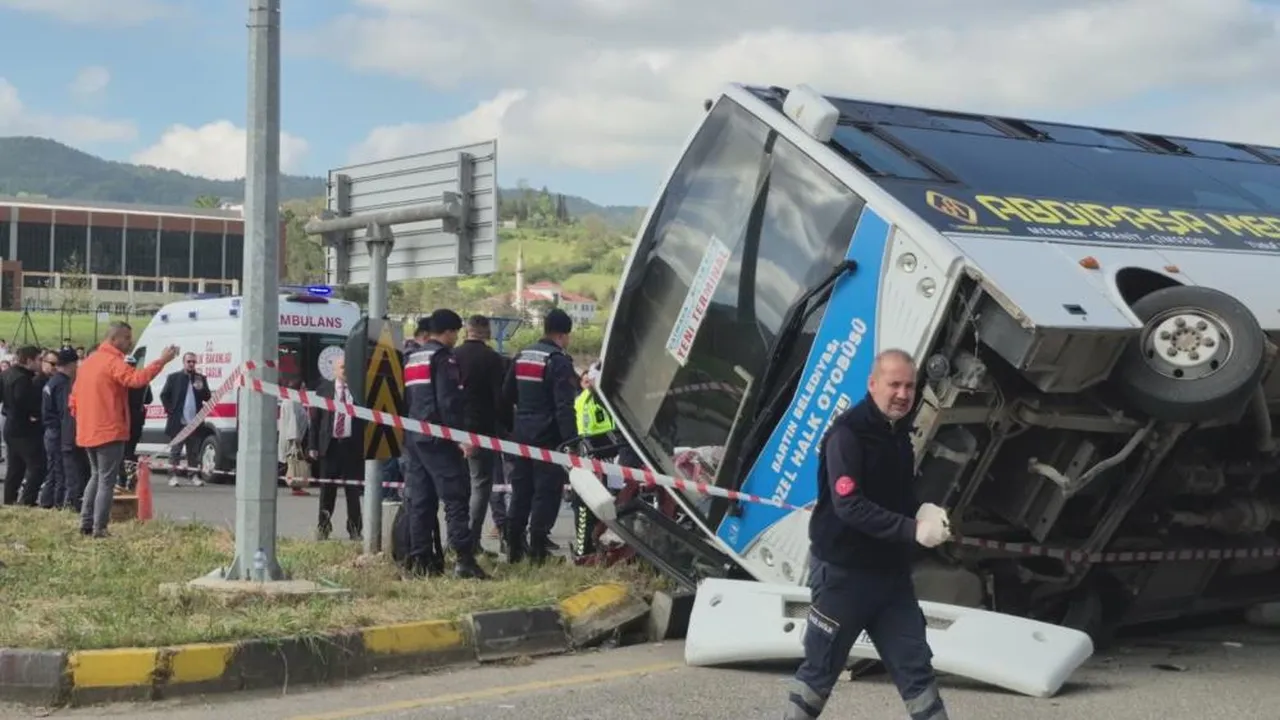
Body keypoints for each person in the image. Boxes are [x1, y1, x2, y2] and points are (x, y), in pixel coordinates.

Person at [782, 349, 952, 720]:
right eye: (894, 384)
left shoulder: (899, 437)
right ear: (872, 385)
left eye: (909, 385)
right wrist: (912, 529)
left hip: (891, 582)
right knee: (818, 675)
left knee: (918, 673)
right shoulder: (848, 435)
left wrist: (920, 511)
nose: (903, 394)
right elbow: (850, 506)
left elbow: (896, 497)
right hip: (844, 578)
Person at [403, 309, 487, 579]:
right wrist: (460, 438)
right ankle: (463, 559)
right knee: (455, 497)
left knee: (421, 500)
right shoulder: (443, 358)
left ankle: (421, 561)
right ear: (449, 332)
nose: (456, 337)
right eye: (456, 332)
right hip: (438, 438)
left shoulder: (413, 357)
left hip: (415, 437)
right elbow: (448, 402)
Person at [71, 323, 176, 537]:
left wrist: (83, 419)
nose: (130, 342)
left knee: (96, 476)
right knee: (106, 481)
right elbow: (137, 379)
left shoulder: (89, 363)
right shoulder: (112, 362)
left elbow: (73, 400)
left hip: (88, 429)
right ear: (114, 339)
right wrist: (162, 361)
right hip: (109, 429)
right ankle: (99, 528)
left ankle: (86, 521)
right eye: (127, 338)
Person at [501, 308, 578, 564]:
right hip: (548, 438)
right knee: (547, 491)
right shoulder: (558, 360)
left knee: (521, 489)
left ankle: (513, 546)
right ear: (563, 334)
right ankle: (537, 547)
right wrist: (572, 442)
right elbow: (564, 406)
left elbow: (507, 394)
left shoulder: (522, 355)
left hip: (521, 435)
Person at [452, 314, 508, 555]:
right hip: (482, 431)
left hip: (450, 429)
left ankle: (454, 540)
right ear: (486, 331)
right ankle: (471, 542)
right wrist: (507, 428)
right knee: (481, 485)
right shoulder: (493, 359)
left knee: (456, 487)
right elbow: (500, 398)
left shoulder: (452, 356)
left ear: (467, 330)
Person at [307, 355, 365, 541]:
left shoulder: (359, 390)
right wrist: (313, 446)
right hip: (330, 447)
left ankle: (355, 530)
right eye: (342, 367)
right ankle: (323, 528)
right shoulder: (324, 390)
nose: (345, 370)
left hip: (352, 447)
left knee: (353, 492)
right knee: (327, 492)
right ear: (334, 370)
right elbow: (315, 421)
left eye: (348, 367)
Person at [159, 352, 211, 487]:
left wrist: (201, 388)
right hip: (179, 422)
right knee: (175, 450)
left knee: (193, 452)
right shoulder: (174, 378)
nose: (191, 364)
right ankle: (172, 476)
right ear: (184, 362)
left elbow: (207, 397)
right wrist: (171, 410)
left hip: (194, 422)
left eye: (194, 362)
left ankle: (193, 475)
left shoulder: (200, 378)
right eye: (189, 361)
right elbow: (164, 395)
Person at [1, 346, 45, 506]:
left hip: (11, 426)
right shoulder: (23, 379)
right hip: (24, 428)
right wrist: (33, 413)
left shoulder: (6, 374)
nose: (40, 363)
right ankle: (27, 501)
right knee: (38, 466)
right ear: (28, 360)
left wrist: (7, 410)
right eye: (39, 359)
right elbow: (22, 399)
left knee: (15, 468)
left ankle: (9, 501)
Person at [39, 349, 79, 509]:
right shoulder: (63, 384)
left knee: (53, 469)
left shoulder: (52, 381)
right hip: (58, 432)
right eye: (76, 364)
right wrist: (69, 438)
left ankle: (47, 501)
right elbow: (65, 412)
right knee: (61, 472)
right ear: (70, 365)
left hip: (50, 431)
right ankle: (57, 503)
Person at [119, 356, 153, 490]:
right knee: (131, 449)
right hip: (137, 418)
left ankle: (123, 477)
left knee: (122, 450)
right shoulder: (142, 381)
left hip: (123, 417)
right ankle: (131, 475)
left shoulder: (122, 381)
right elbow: (148, 399)